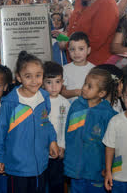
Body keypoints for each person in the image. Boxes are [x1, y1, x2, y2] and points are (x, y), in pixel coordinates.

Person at [0, 51, 59, 193]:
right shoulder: (10, 103)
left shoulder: (44, 97)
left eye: (38, 75)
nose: (34, 81)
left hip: (40, 164)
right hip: (17, 166)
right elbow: (0, 132)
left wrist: (52, 140)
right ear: (19, 77)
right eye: (28, 76)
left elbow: (46, 122)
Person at [63, 67, 118, 192]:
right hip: (75, 167)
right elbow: (68, 134)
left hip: (96, 170)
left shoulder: (108, 115)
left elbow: (111, 145)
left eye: (89, 86)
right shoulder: (76, 106)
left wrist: (107, 167)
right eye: (85, 84)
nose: (84, 88)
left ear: (101, 93)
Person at [66, 0, 119, 65]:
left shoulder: (107, 6)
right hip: (74, 59)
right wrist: (63, 38)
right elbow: (73, 27)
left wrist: (67, 44)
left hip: (93, 65)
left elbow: (94, 42)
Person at [42, 62, 71, 193]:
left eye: (57, 81)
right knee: (41, 185)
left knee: (57, 184)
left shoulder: (65, 103)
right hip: (40, 152)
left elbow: (66, 127)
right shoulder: (39, 101)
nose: (54, 87)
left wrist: (63, 146)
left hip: (58, 152)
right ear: (42, 82)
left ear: (62, 82)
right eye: (49, 82)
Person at [61, 32, 96, 100]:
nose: (76, 53)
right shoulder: (64, 69)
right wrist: (76, 92)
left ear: (88, 50)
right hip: (70, 107)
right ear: (68, 50)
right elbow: (61, 92)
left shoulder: (94, 70)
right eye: (72, 49)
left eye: (81, 49)